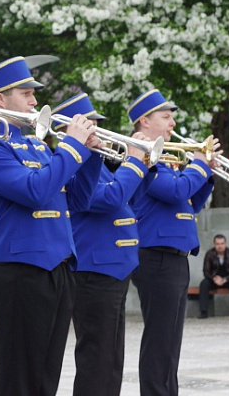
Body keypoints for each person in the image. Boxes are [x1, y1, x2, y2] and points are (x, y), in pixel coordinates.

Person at [0, 57, 102, 396]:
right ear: (0, 98)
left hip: (58, 264)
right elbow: (35, 191)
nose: (34, 102)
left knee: (47, 376)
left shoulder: (36, 145)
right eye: (27, 94)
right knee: (22, 378)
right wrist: (72, 148)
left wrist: (91, 156)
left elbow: (78, 201)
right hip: (22, 269)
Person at [52, 92, 147, 396]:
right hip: (94, 269)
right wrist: (134, 162)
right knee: (97, 360)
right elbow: (110, 198)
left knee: (111, 360)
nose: (97, 128)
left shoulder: (96, 163)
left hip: (112, 268)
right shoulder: (69, 164)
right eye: (89, 123)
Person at [128, 89, 216, 396]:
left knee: (170, 345)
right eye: (165, 117)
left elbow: (188, 204)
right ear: (144, 121)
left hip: (175, 257)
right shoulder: (144, 156)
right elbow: (173, 191)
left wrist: (207, 175)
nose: (172, 123)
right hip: (156, 257)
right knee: (160, 342)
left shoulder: (164, 159)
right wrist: (199, 166)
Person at [198, 235, 229, 319]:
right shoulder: (209, 254)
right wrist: (214, 278)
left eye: (222, 243)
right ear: (214, 244)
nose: (220, 246)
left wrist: (225, 279)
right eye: (217, 244)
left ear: (225, 244)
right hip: (215, 279)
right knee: (204, 284)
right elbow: (206, 271)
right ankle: (203, 312)